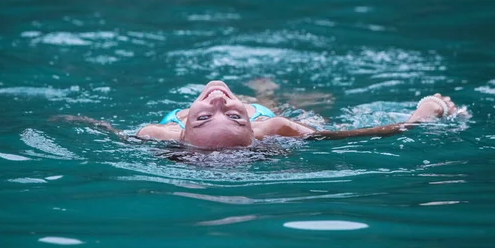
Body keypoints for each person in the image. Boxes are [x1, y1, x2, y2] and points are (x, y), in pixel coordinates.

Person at [53, 79, 464, 149]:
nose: (217, 102)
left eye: (200, 116)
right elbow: (356, 134)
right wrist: (422, 116)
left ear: (181, 131)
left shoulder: (156, 135)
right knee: (304, 111)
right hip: (273, 112)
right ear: (250, 124)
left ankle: (264, 88)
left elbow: (106, 131)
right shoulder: (273, 126)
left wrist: (74, 120)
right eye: (234, 115)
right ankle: (268, 92)